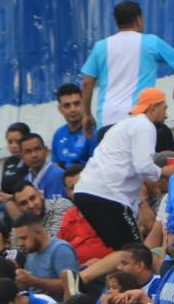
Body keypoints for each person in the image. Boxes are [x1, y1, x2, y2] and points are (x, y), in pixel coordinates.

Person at [72, 87, 168, 248]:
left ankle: (84, 275)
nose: (166, 114)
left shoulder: (124, 125)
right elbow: (143, 167)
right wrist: (164, 172)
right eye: (164, 108)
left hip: (86, 192)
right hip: (109, 196)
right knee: (135, 253)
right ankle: (84, 275)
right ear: (153, 107)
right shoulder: (145, 126)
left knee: (123, 250)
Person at [80, 0, 174, 136]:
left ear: (117, 22)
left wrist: (86, 114)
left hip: (107, 119)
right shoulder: (151, 42)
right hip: (138, 117)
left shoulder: (101, 47)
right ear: (138, 20)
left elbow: (87, 82)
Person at [51, 83, 95, 167]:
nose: (73, 109)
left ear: (83, 104)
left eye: (77, 103)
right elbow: (55, 165)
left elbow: (96, 166)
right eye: (67, 105)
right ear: (60, 109)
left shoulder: (93, 132)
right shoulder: (58, 134)